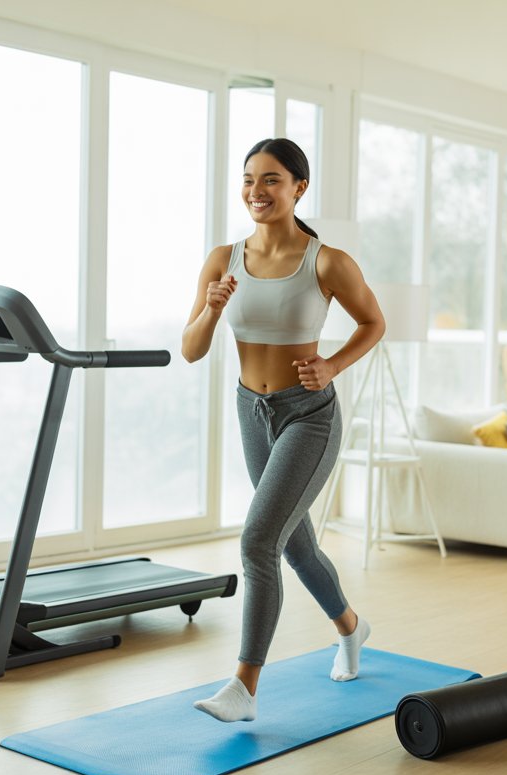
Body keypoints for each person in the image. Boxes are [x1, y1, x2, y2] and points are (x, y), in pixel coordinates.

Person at [181, 138, 386, 722]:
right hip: (252, 411)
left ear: (299, 187)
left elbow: (373, 322)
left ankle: (244, 688)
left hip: (308, 416)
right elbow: (191, 350)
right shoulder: (223, 259)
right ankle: (351, 627)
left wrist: (332, 366)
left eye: (271, 179)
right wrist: (212, 308)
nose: (257, 191)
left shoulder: (327, 262)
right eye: (249, 179)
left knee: (257, 541)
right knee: (294, 544)